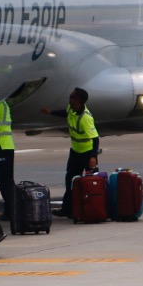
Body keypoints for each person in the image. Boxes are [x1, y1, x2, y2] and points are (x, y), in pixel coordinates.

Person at [48, 88, 100, 217]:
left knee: (91, 182)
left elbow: (95, 138)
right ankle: (68, 210)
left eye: (72, 97)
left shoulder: (85, 118)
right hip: (75, 152)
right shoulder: (71, 109)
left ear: (78, 100)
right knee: (70, 181)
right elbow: (64, 113)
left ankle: (93, 208)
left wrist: (93, 157)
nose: (69, 99)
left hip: (87, 154)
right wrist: (51, 112)